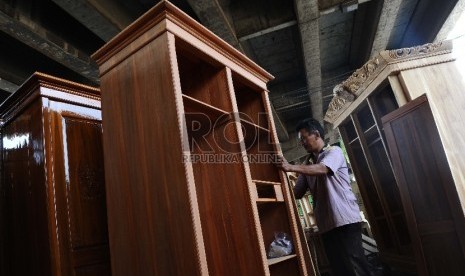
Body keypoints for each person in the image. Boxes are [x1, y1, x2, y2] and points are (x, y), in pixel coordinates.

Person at [275, 118, 375, 276]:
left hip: (345, 220)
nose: (302, 143)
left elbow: (323, 168)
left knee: (357, 265)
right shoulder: (307, 164)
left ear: (315, 134)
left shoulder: (333, 152)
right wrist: (279, 179)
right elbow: (297, 193)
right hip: (326, 224)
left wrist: (290, 167)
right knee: (340, 268)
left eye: (303, 138)